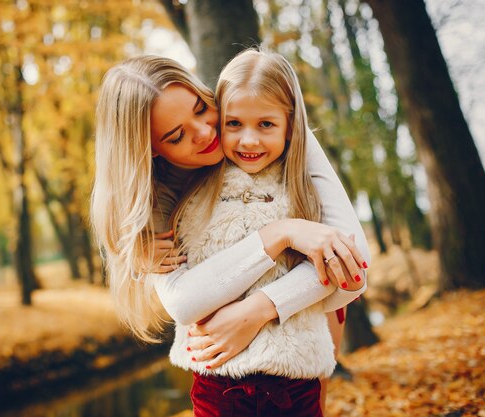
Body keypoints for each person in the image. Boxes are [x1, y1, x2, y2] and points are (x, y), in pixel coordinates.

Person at [91, 53, 371, 414]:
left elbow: (353, 260)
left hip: (304, 325)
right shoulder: (154, 195)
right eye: (177, 136)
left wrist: (258, 309)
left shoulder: (255, 118)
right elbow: (184, 301)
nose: (207, 133)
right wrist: (279, 234)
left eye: (200, 108)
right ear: (151, 151)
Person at [167, 47, 366, 416]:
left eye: (266, 124)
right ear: (220, 121)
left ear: (291, 126)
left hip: (293, 381)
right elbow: (180, 284)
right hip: (216, 384)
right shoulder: (196, 189)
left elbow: (349, 271)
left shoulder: (303, 190)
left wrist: (343, 283)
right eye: (234, 124)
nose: (249, 141)